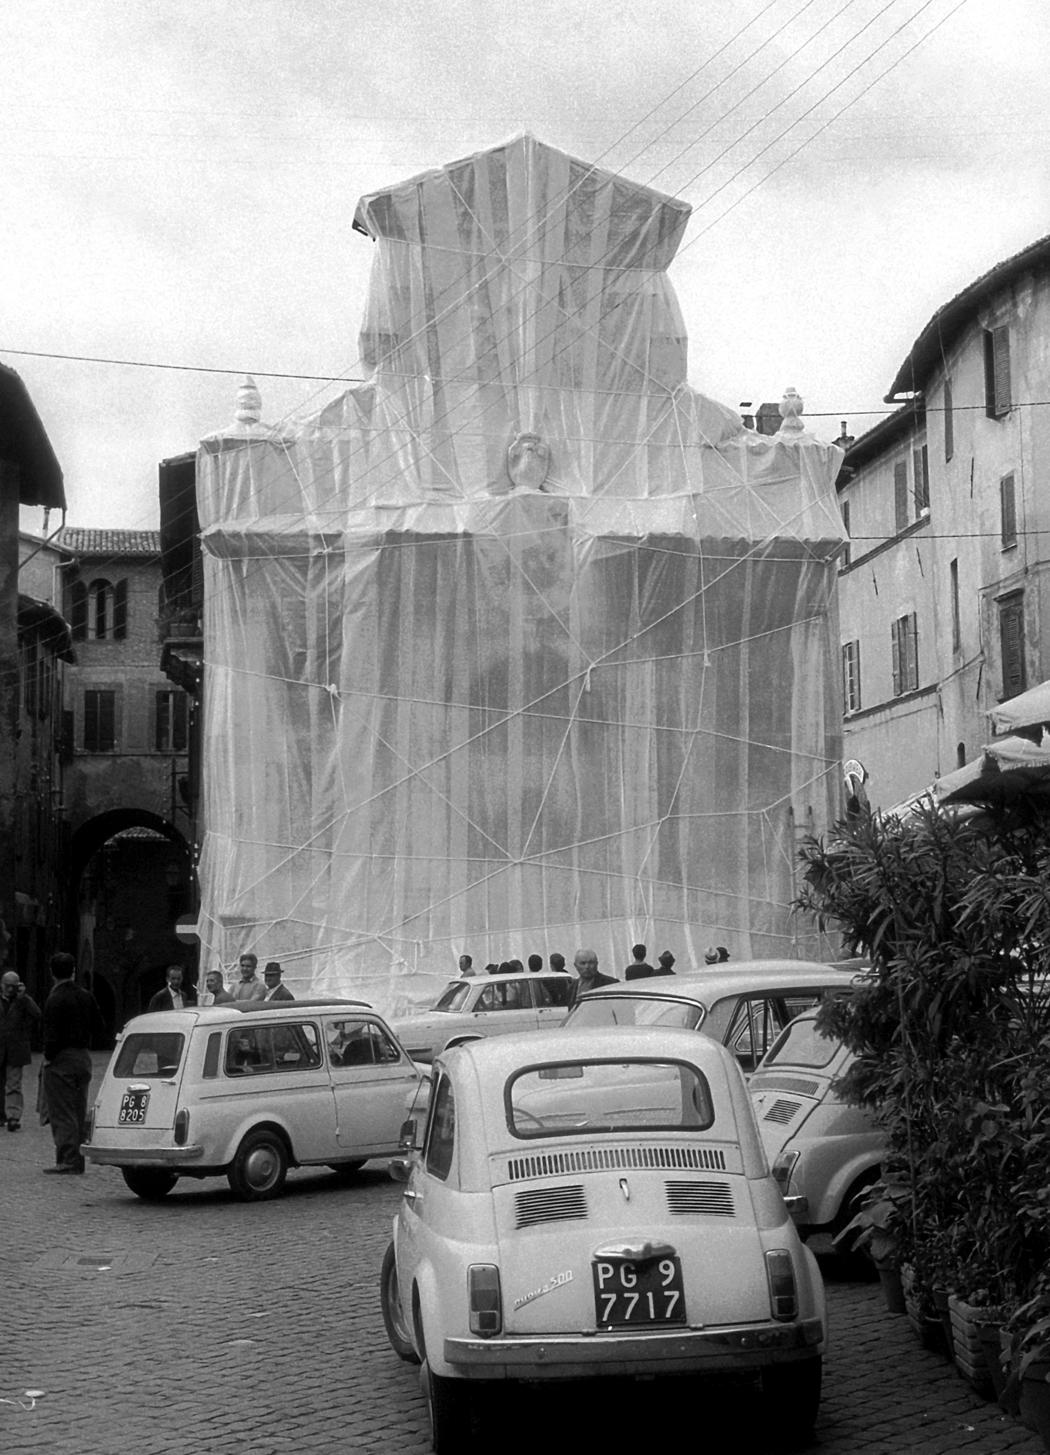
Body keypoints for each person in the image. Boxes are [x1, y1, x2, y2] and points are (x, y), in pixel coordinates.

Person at [42, 952, 101, 1174]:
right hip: (83, 1057)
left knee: (62, 1111)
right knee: (78, 1108)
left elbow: (51, 1034)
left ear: (52, 973)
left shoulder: (55, 998)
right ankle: (78, 1157)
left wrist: (49, 1057)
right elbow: (99, 1025)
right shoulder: (86, 996)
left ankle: (68, 1159)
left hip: (61, 1059)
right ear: (74, 970)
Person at [0, 970, 42, 1132]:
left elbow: (37, 1014)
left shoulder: (23, 1001)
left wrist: (24, 997)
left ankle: (13, 1117)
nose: (10, 990)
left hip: (16, 1050)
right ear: (2, 985)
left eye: (13, 986)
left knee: (13, 1084)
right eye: (7, 986)